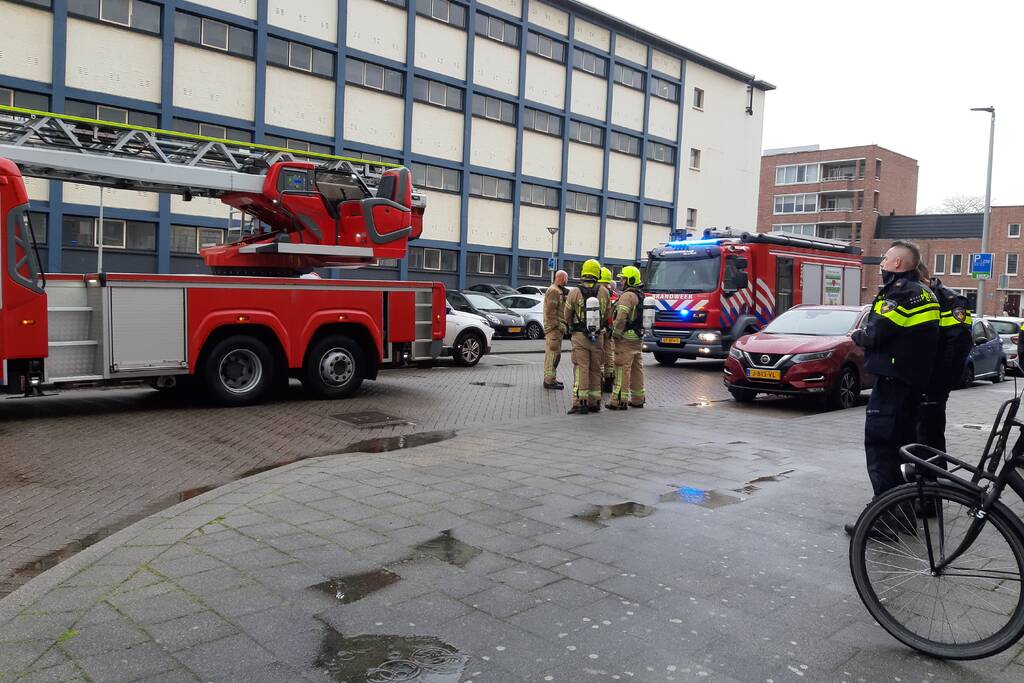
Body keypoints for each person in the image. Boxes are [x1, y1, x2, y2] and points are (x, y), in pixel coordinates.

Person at [845, 240, 939, 536]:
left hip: (892, 385)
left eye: (885, 259)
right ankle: (904, 518)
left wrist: (857, 334)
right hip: (913, 385)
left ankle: (884, 521)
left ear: (898, 264)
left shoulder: (898, 294)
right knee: (903, 453)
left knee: (881, 451)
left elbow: (875, 333)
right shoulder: (926, 294)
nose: (882, 264)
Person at [916, 261, 972, 454]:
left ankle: (934, 480)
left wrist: (938, 382)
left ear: (923, 279)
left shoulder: (952, 301)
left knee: (929, 435)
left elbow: (958, 346)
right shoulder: (914, 298)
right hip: (911, 380)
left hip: (933, 384)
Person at [564, 259, 607, 414]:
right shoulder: (604, 292)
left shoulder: (575, 291)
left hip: (580, 336)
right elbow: (608, 314)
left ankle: (579, 402)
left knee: (581, 368)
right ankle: (594, 402)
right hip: (598, 337)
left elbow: (566, 314)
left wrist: (571, 326)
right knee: (596, 369)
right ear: (597, 272)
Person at [606, 265, 646, 410]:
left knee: (622, 368)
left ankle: (618, 401)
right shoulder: (640, 294)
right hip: (637, 338)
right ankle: (638, 399)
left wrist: (615, 334)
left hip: (625, 340)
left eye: (623, 278)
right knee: (637, 369)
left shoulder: (627, 296)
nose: (621, 281)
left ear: (630, 279)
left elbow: (621, 318)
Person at [542, 270, 569, 390]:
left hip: (556, 329)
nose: (566, 281)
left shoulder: (557, 290)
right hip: (554, 329)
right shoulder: (554, 291)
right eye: (566, 278)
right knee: (553, 355)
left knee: (555, 355)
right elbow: (550, 312)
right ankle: (549, 381)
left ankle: (551, 379)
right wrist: (557, 325)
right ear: (561, 278)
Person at [598, 267, 616, 393]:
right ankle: (609, 383)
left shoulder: (597, 292)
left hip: (600, 329)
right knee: (609, 355)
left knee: (599, 355)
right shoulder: (613, 294)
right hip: (610, 329)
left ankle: (598, 382)